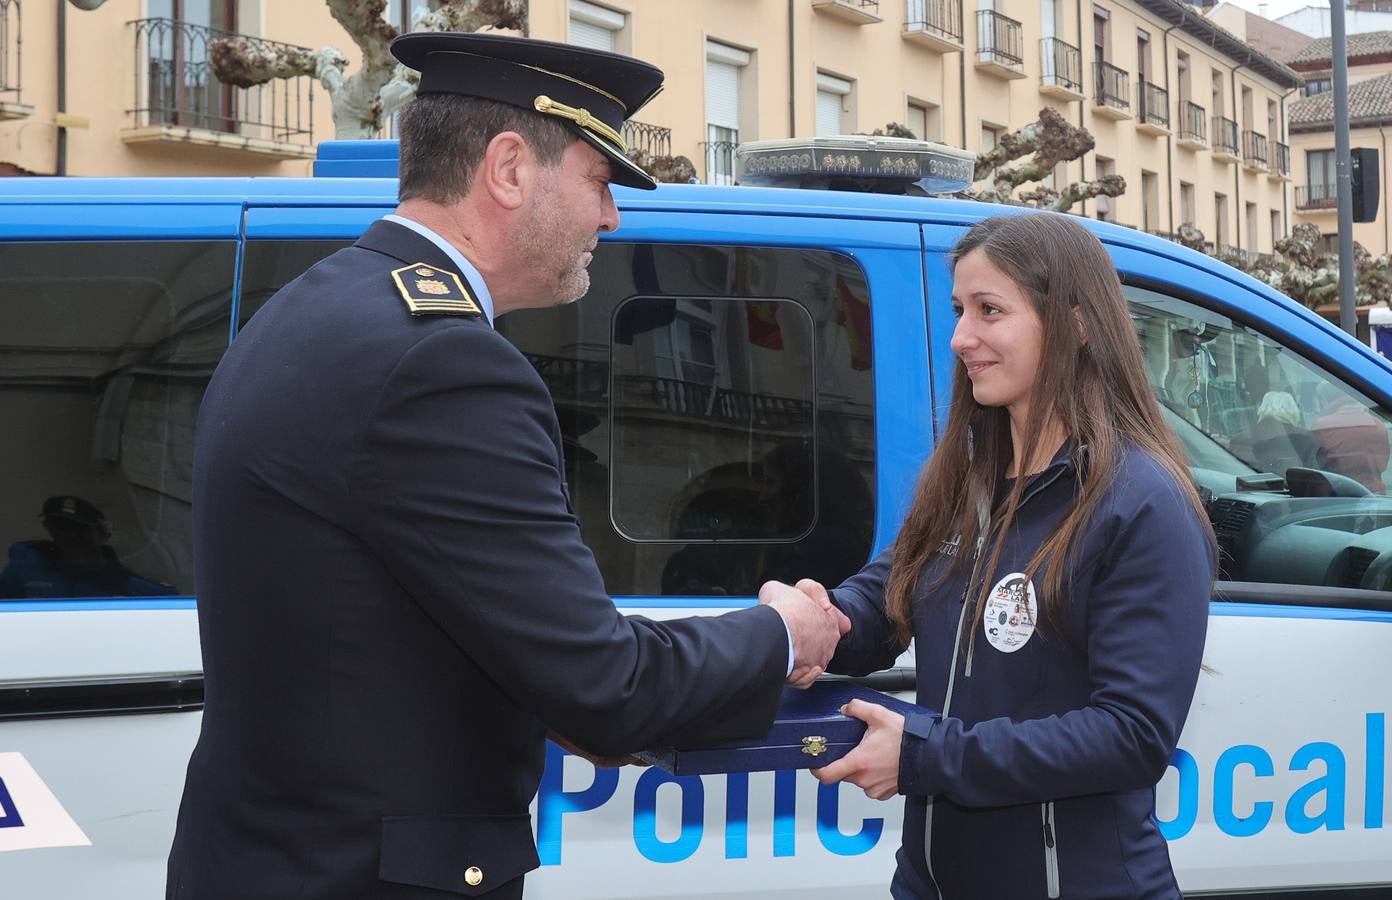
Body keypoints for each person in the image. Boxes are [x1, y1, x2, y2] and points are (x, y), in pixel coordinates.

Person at [165, 33, 846, 900]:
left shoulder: (320, 305)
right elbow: (608, 686)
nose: (612, 219)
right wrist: (786, 630)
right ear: (511, 169)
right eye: (600, 183)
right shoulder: (442, 363)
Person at [803, 213, 1216, 899]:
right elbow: (886, 598)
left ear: (1078, 324)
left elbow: (1133, 734)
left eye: (990, 310)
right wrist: (818, 622)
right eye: (961, 310)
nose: (963, 337)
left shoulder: (1141, 502)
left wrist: (926, 756)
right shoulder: (967, 479)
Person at [0, 495, 176, 598]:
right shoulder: (26, 569)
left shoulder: (124, 583)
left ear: (102, 535)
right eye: (59, 526)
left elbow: (172, 607)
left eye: (79, 529)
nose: (69, 535)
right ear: (49, 529)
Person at [1311, 383, 1391, 493]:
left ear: (1326, 399)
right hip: (1374, 494)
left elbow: (1314, 464)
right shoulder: (1377, 424)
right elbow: (1382, 465)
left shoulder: (1323, 425)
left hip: (1337, 496)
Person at [1250, 390, 1317, 476]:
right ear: (1294, 411)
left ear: (1261, 409)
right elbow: (1313, 474)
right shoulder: (1306, 438)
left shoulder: (1240, 440)